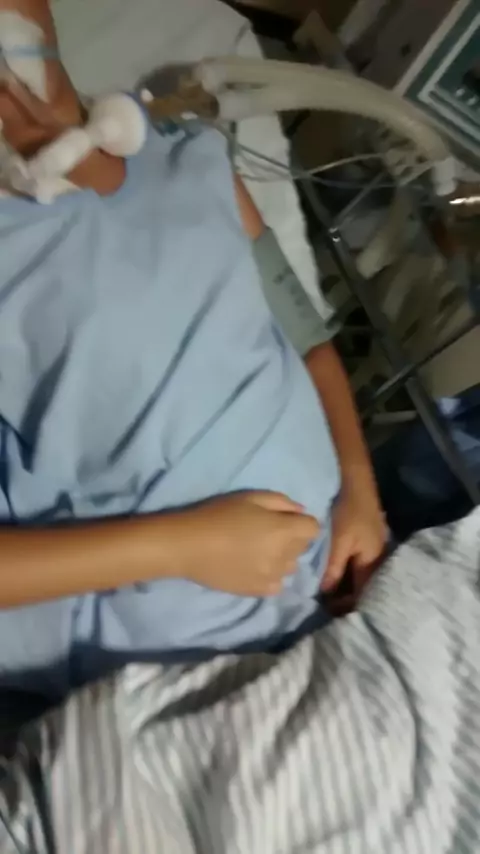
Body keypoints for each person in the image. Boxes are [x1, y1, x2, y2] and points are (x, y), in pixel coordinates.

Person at [0, 0, 387, 700]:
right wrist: (182, 545)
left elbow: (309, 339)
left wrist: (360, 490)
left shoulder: (183, 151)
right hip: (190, 676)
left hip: (339, 590)